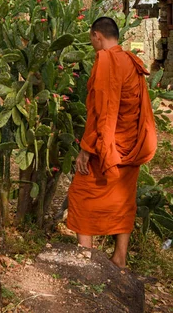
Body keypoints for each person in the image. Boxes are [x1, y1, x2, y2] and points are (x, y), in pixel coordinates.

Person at [67, 16, 157, 268]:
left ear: (97, 35)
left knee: (81, 195)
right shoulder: (131, 61)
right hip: (131, 144)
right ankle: (119, 258)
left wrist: (86, 149)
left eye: (90, 37)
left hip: (106, 147)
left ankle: (85, 257)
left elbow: (102, 112)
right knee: (123, 200)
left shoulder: (107, 61)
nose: (91, 41)